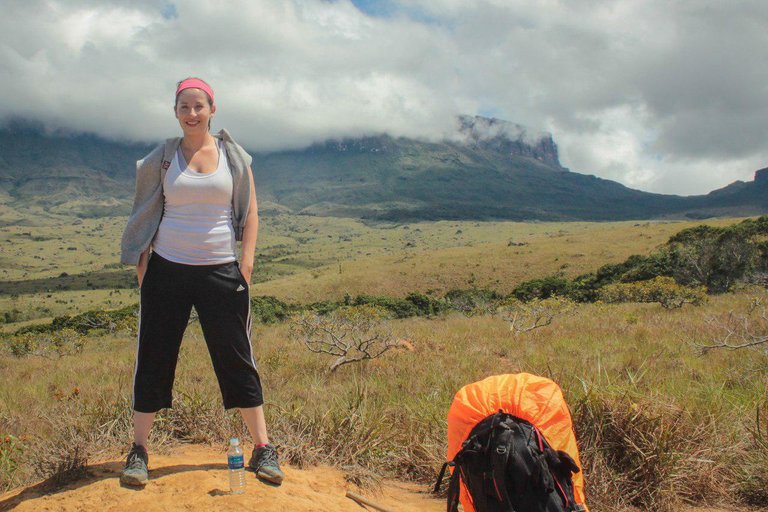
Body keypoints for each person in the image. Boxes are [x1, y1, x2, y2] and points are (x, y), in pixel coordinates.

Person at [119, 77, 283, 487]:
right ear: (175, 113)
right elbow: (143, 209)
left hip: (221, 270)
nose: (191, 114)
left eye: (198, 106)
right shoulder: (162, 158)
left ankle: (263, 448)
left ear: (212, 109)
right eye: (184, 107)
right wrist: (143, 266)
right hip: (166, 269)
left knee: (237, 357)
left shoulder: (233, 156)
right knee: (154, 355)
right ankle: (138, 451)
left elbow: (251, 212)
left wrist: (245, 263)